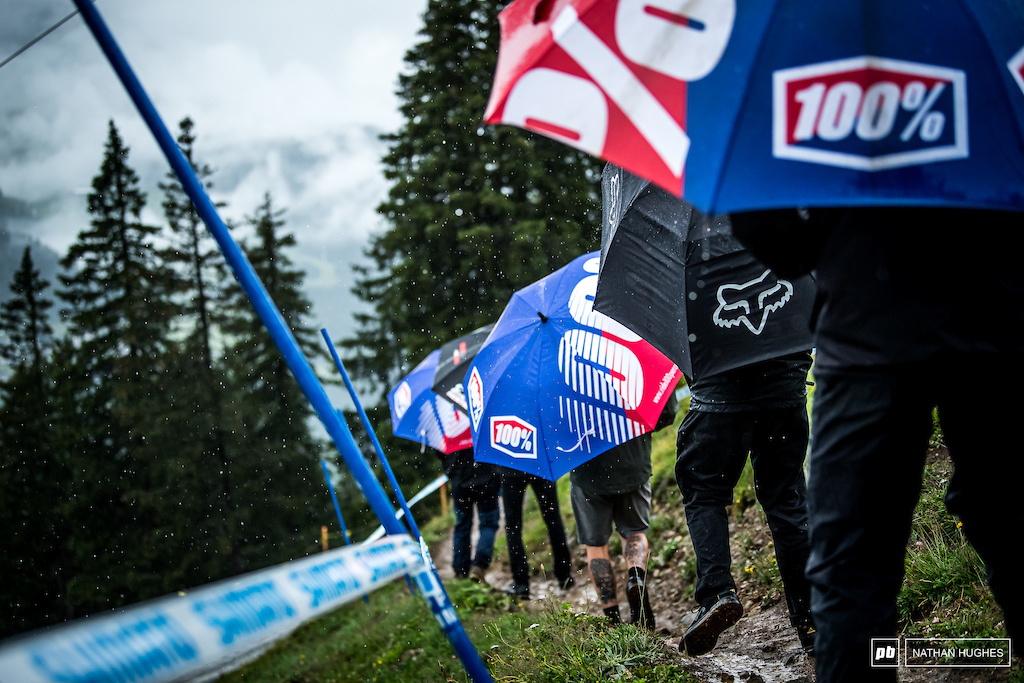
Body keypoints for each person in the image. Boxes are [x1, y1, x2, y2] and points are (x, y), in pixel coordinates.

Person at [730, 206, 1024, 682]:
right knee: (1013, 519)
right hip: (997, 309)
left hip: (866, 322)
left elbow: (781, 243)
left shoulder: (813, 131)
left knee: (851, 564)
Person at [674, 353, 815, 657]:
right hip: (784, 389)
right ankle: (812, 621)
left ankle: (717, 592)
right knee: (786, 500)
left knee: (703, 490)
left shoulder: (690, 303)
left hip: (718, 394)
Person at [569, 395, 677, 629]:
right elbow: (666, 412)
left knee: (596, 545)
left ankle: (613, 620)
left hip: (587, 464)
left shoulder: (564, 367)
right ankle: (636, 577)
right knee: (635, 532)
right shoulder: (634, 358)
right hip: (632, 456)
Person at [499, 467, 575, 599]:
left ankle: (521, 583)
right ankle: (564, 576)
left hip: (510, 467)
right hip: (540, 465)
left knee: (513, 527)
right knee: (553, 520)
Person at [439, 447, 501, 581]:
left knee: (463, 524)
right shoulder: (480, 425)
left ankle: (461, 569)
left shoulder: (447, 426)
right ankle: (479, 565)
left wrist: (450, 468)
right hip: (485, 476)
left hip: (459, 479)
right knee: (489, 523)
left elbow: (439, 448)